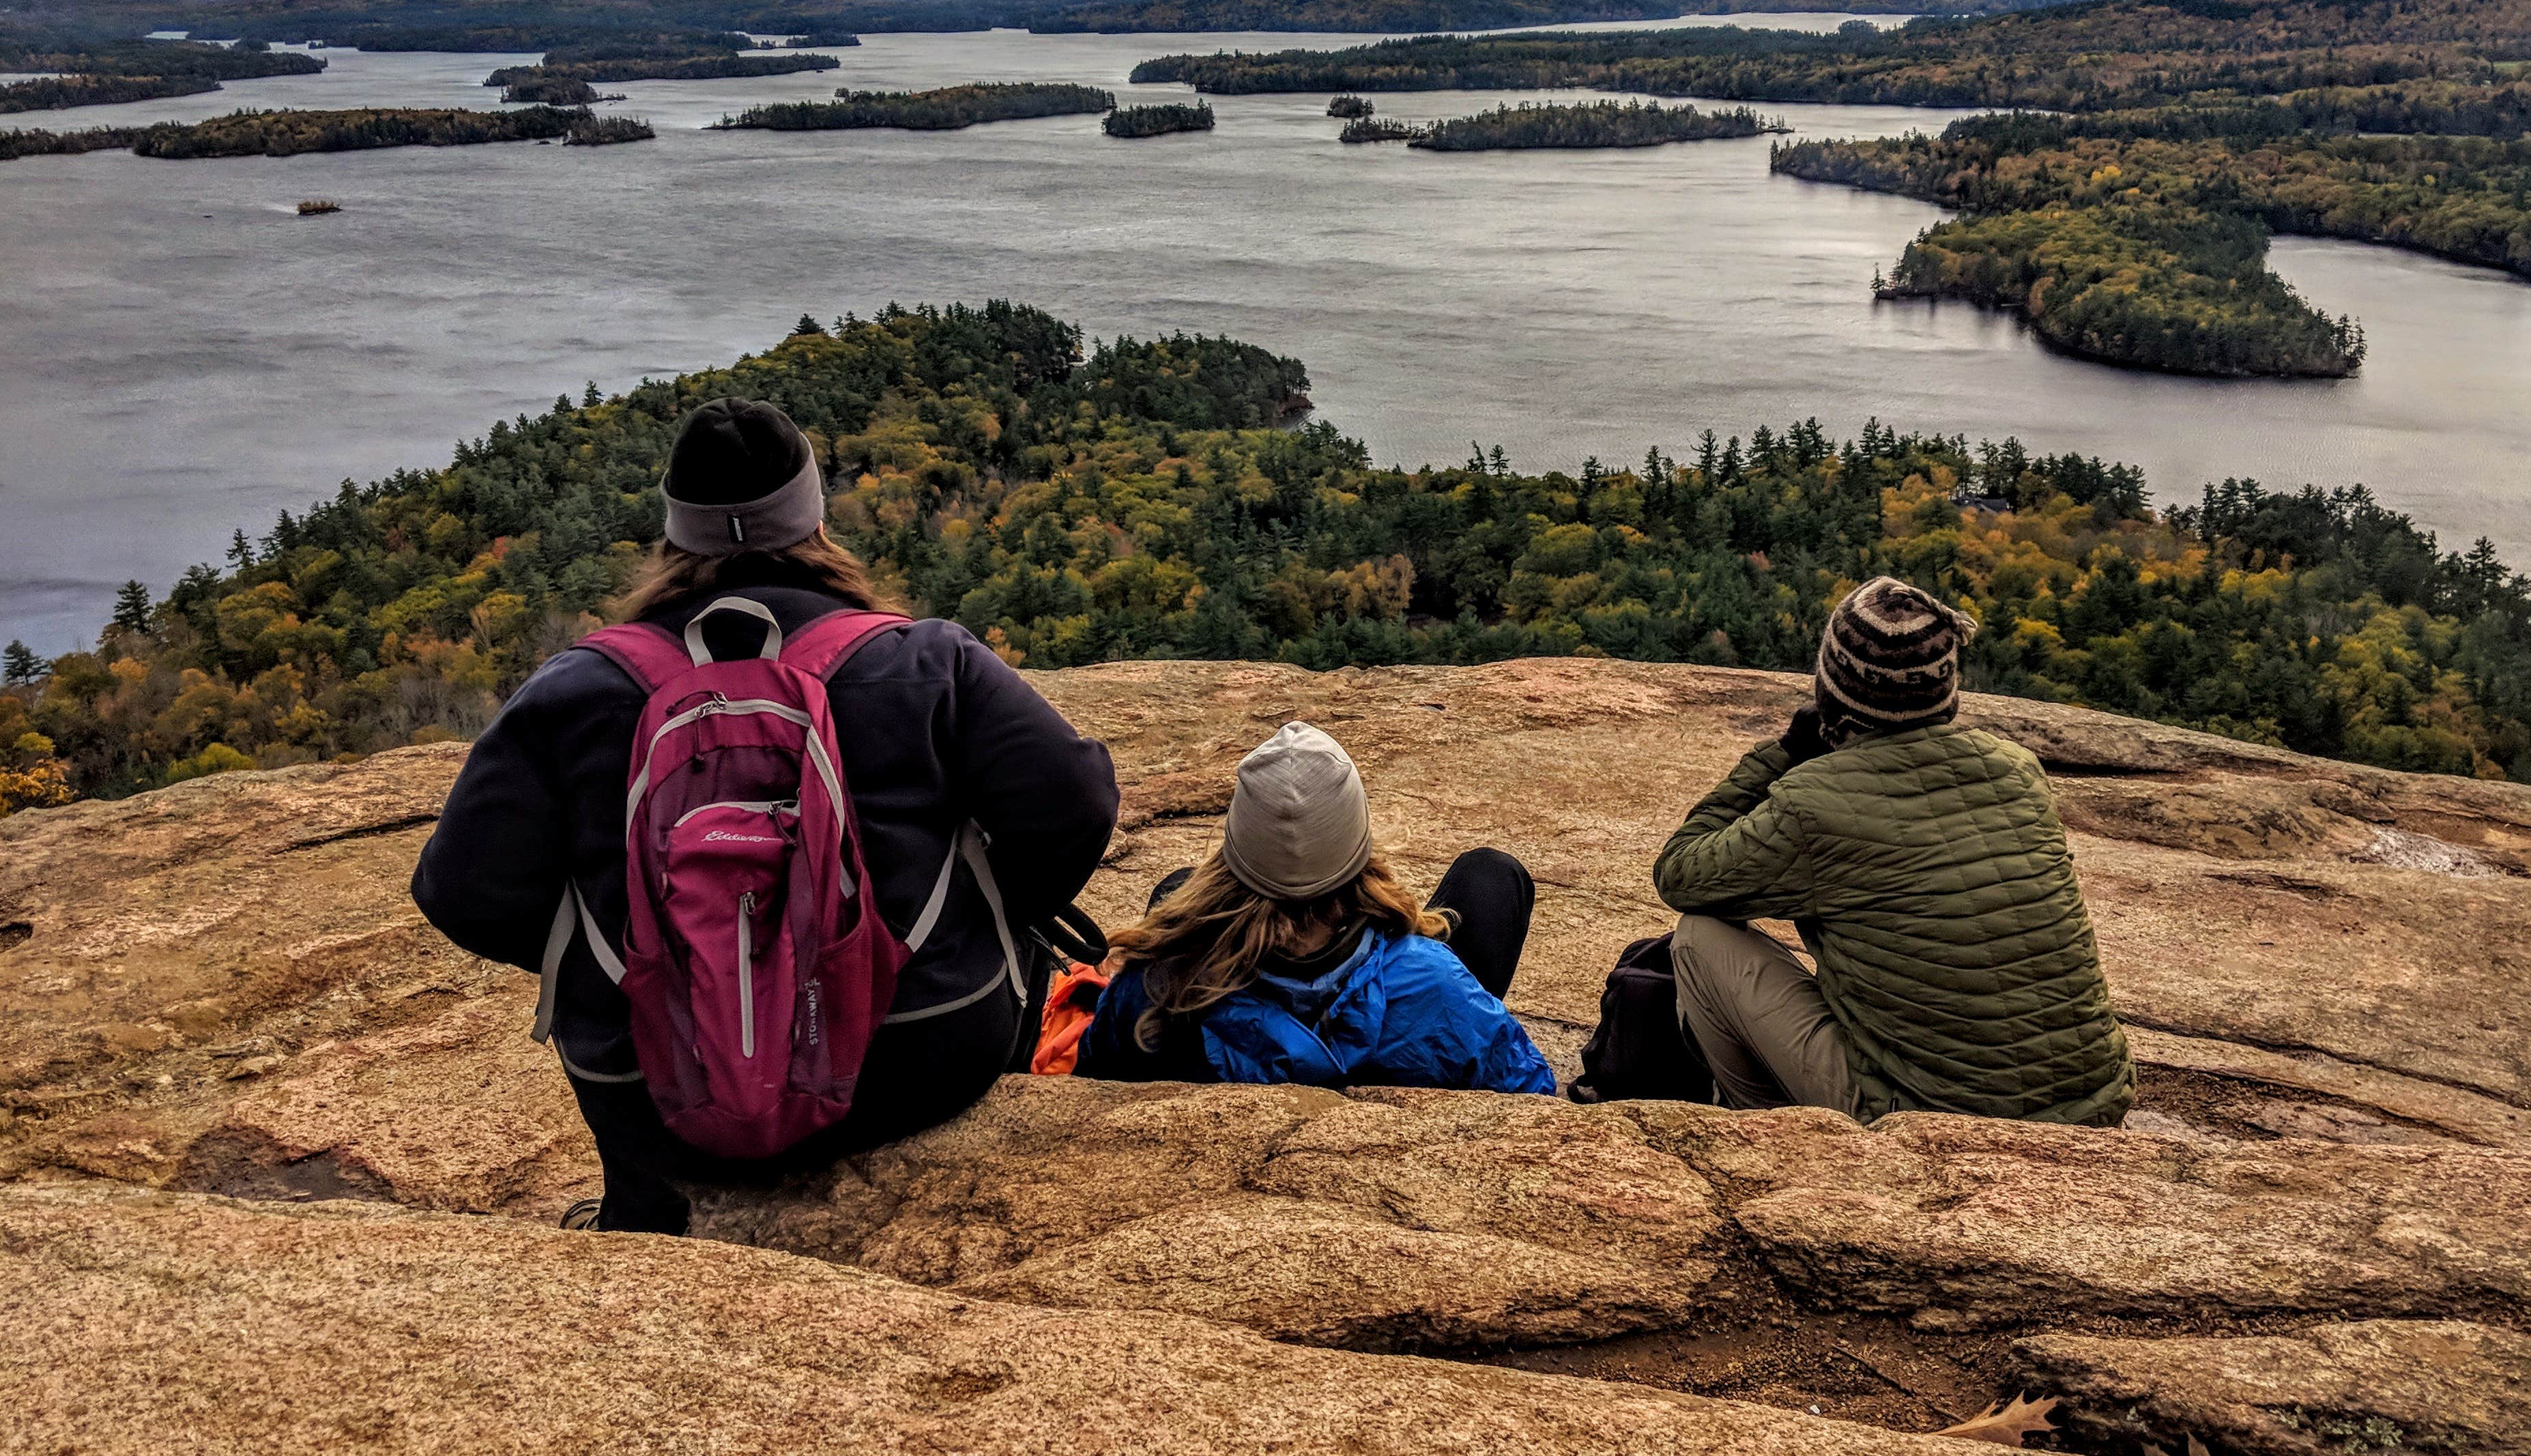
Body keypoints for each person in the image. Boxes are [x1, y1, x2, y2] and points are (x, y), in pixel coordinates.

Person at [412, 396, 1119, 1233]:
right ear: (813, 516)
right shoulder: (926, 660)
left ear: (674, 530)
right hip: (919, 1056)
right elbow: (1075, 804)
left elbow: (460, 891)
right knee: (1014, 934)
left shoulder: (574, 691)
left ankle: (642, 1208)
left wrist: (649, 966)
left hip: (655, 1087)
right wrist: (980, 914)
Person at [1651, 575, 2132, 1124]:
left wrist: (1783, 754)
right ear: (1946, 688)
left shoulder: (1815, 805)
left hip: (1934, 1117)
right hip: (2094, 1103)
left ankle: (1773, 1135)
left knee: (1699, 937)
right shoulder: (2018, 770)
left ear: (1832, 690)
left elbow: (1681, 873)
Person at [1078, 722, 1554, 1094]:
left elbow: (1095, 1077)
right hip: (1410, 1028)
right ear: (1360, 854)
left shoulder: (1160, 982)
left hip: (1204, 1024)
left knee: (1175, 888)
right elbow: (1529, 1093)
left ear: (1233, 858)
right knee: (1490, 877)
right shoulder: (1435, 981)